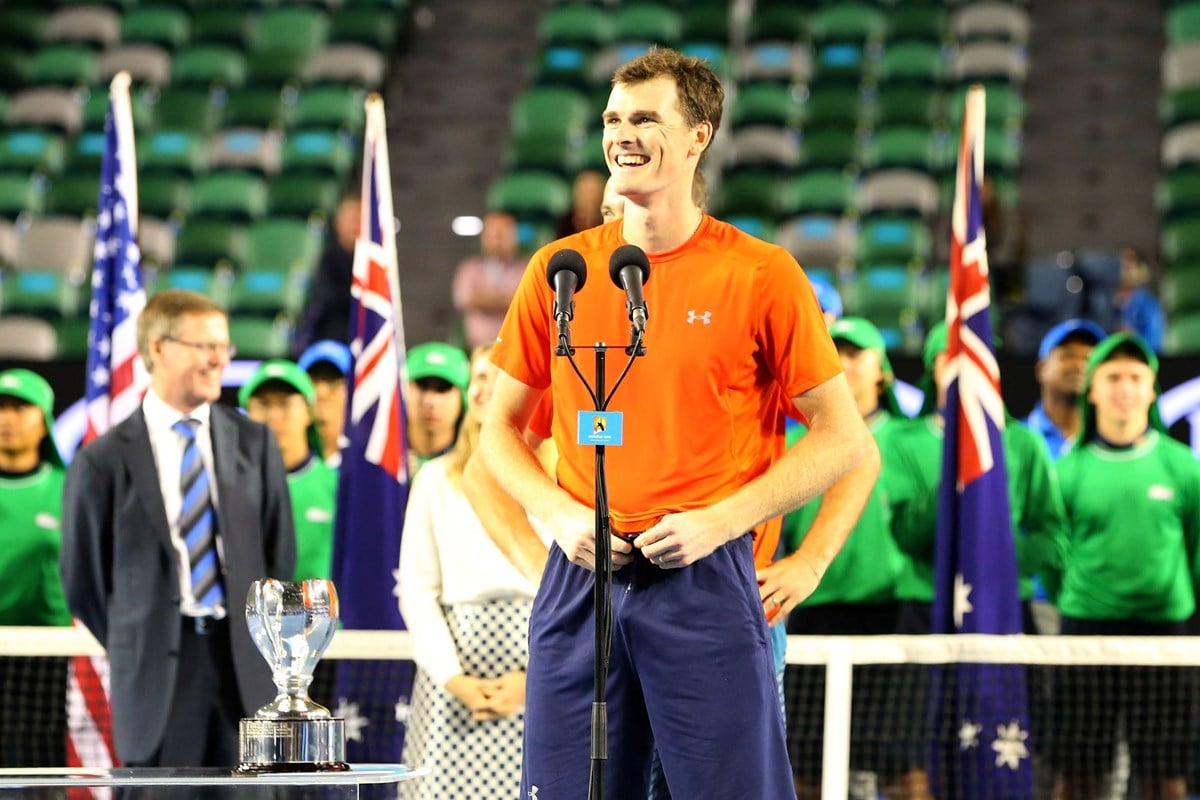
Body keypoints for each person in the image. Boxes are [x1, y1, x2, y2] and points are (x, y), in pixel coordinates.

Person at [479, 48, 873, 798]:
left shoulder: (760, 273)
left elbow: (844, 438)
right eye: (612, 118)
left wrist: (723, 522)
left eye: (645, 118)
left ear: (698, 135)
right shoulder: (558, 269)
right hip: (583, 574)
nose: (621, 133)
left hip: (704, 576)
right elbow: (496, 433)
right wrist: (559, 515)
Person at [61, 289, 296, 768]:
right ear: (159, 349)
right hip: (154, 681)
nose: (218, 361)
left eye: (223, 347)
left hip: (244, 670)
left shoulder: (255, 444)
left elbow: (278, 557)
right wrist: (145, 634)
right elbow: (83, 582)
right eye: (204, 347)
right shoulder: (101, 460)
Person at [883, 322, 1068, 798]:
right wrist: (959, 466)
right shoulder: (901, 441)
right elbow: (906, 534)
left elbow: (1051, 536)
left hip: (1005, 615)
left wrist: (998, 570)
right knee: (913, 756)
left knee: (1008, 746)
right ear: (934, 369)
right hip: (924, 611)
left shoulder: (1023, 443)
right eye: (952, 358)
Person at [1051, 333, 1199, 800]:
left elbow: (1195, 549)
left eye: (1136, 377)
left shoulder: (1184, 467)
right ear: (1092, 389)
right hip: (1085, 636)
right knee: (1079, 778)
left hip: (1165, 639)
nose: (1125, 387)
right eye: (1113, 377)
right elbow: (1056, 557)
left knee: (1164, 777)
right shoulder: (1066, 470)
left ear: (1152, 388)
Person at [398, 343, 548, 799]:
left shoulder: (561, 483)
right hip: (453, 681)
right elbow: (417, 590)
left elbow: (583, 595)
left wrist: (535, 681)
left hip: (542, 678)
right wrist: (453, 678)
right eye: (479, 378)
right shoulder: (436, 480)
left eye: (498, 377)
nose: (485, 389)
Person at [778, 318, 908, 798]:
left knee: (900, 764)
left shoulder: (915, 441)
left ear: (884, 371)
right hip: (810, 613)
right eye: (836, 353)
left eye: (857, 354)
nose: (845, 364)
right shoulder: (792, 442)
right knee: (807, 763)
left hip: (893, 616)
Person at [0, 368, 72, 771]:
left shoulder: (70, 487)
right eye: (1, 408)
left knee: (37, 766)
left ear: (44, 420)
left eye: (20, 408)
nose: (7, 418)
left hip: (47, 657)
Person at [239, 359, 337, 582]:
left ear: (309, 412)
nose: (274, 416)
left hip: (321, 615)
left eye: (285, 403)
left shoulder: (337, 486)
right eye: (263, 404)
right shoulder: (232, 488)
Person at [1024, 319, 1107, 460]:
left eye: (1089, 358)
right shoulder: (1015, 440)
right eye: (1068, 356)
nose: (1079, 365)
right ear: (1041, 368)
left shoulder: (1110, 441)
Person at [294, 192, 361, 353]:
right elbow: (326, 299)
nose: (355, 224)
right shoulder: (328, 259)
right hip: (330, 340)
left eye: (359, 219)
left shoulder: (373, 263)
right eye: (350, 218)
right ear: (338, 223)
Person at [452, 210, 528, 349]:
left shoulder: (527, 269)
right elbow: (466, 299)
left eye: (502, 234)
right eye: (493, 234)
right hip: (477, 349)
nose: (498, 240)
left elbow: (523, 303)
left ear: (514, 237)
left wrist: (484, 298)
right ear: (484, 238)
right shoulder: (469, 268)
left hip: (515, 349)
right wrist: (505, 300)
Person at [405, 341, 471, 476]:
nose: (431, 401)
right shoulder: (377, 463)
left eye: (443, 388)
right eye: (422, 386)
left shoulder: (474, 470)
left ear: (463, 398)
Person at [298, 339, 352, 467]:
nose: (321, 392)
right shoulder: (286, 465)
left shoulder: (363, 468)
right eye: (312, 381)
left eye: (333, 381)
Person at [1114, 246, 1165, 354]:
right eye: (1122, 262)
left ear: (1143, 270)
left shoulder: (1150, 305)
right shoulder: (1105, 300)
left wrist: (1133, 338)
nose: (1125, 267)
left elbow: (1155, 344)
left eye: (1131, 262)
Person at [554, 168, 606, 238]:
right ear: (575, 193)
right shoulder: (562, 224)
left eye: (594, 192)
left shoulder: (609, 222)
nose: (589, 197)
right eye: (585, 192)